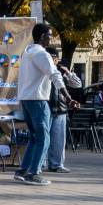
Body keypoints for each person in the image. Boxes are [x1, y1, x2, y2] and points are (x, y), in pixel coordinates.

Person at [15, 23, 68, 186]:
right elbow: (54, 74)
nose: (50, 39)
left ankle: (23, 170)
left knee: (34, 137)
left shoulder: (27, 53)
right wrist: (67, 95)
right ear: (42, 36)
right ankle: (34, 173)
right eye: (49, 35)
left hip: (26, 99)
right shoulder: (42, 54)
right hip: (38, 100)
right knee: (44, 138)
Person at [46, 49, 82, 174]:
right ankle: (40, 164)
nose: (53, 60)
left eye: (54, 58)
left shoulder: (62, 73)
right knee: (44, 139)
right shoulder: (43, 69)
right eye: (50, 57)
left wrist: (67, 72)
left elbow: (77, 84)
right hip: (46, 107)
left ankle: (57, 164)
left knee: (59, 140)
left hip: (61, 109)